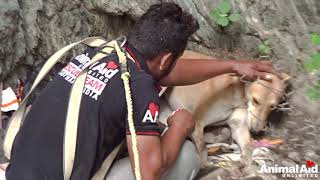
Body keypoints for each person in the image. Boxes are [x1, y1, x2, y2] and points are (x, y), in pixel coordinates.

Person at [3, 2, 279, 180]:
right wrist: (180, 127)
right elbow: (149, 172)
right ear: (165, 58)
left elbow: (168, 71)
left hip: (20, 170)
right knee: (185, 156)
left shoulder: (104, 50)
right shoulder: (139, 87)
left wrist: (232, 66)